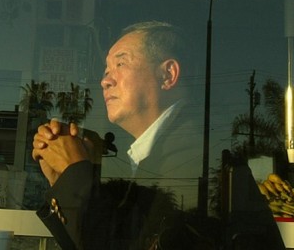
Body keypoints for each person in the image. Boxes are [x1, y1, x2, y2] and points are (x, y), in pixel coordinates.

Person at [31, 21, 206, 249]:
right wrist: (65, 178)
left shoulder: (192, 154)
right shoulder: (152, 154)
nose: (105, 81)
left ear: (167, 75)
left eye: (121, 64)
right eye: (106, 71)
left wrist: (74, 173)